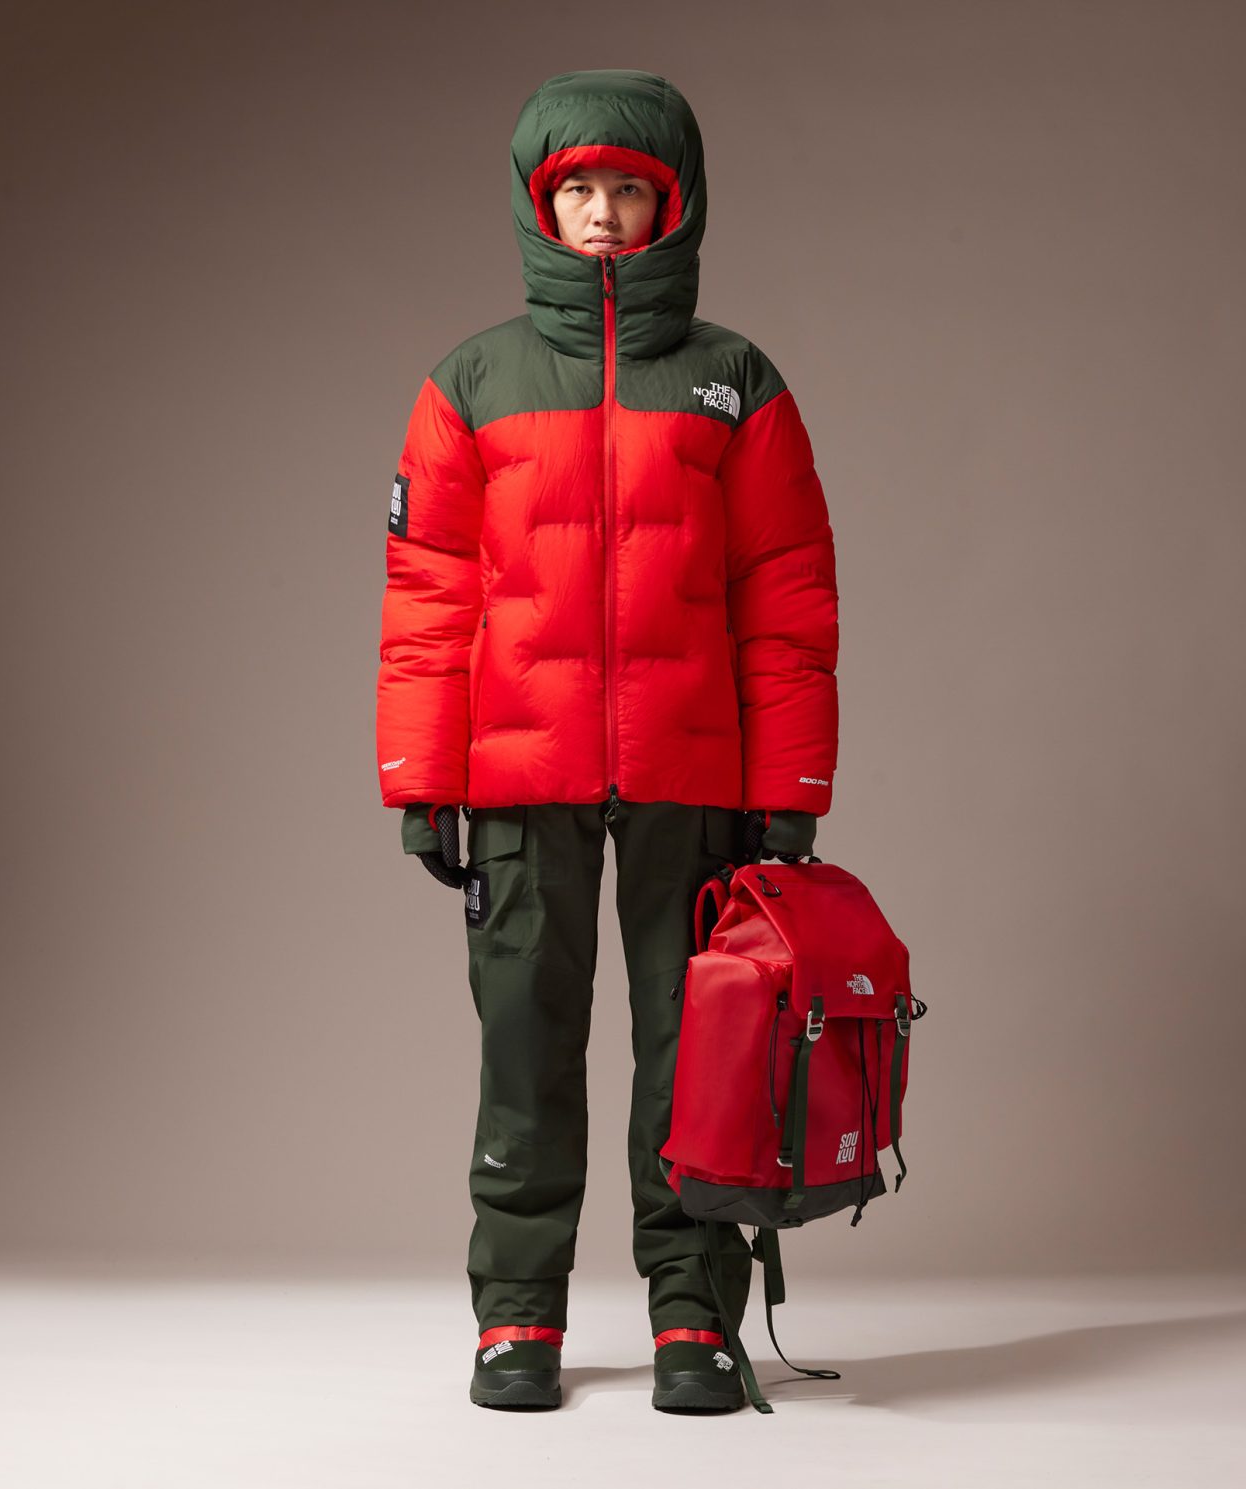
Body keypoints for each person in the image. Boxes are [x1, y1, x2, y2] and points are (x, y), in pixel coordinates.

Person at [375, 68, 838, 1412]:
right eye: (574, 187)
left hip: (697, 778)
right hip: (522, 779)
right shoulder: (472, 381)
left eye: (627, 188)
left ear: (671, 205)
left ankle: (695, 1316)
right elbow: (427, 595)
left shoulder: (735, 381)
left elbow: (788, 593)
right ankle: (516, 1316)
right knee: (525, 1048)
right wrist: (424, 778)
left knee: (699, 1052)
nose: (598, 211)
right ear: (540, 203)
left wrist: (789, 786)